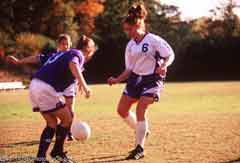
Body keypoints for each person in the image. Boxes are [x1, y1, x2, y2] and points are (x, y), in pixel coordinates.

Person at [107, 3, 174, 160]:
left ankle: (139, 148)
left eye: (129, 29)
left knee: (141, 109)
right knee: (121, 110)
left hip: (152, 79)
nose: (127, 32)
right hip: (136, 79)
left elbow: (170, 54)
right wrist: (116, 79)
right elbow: (129, 69)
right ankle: (141, 129)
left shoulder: (152, 39)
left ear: (137, 25)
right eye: (126, 30)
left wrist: (164, 65)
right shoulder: (130, 45)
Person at [29, 35, 97, 163]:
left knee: (51, 123)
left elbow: (67, 69)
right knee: (68, 117)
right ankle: (57, 152)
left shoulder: (65, 53)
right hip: (45, 87)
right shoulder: (77, 53)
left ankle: (40, 158)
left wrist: (78, 82)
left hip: (34, 85)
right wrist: (85, 86)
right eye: (93, 50)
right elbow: (73, 64)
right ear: (88, 50)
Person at [6, 34, 76, 141]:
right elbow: (36, 58)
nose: (65, 46)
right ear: (58, 45)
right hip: (51, 86)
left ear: (70, 44)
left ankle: (68, 132)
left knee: (70, 109)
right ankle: (59, 133)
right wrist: (19, 61)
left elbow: (77, 66)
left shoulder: (71, 55)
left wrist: (80, 81)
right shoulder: (53, 56)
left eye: (67, 44)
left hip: (68, 85)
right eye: (63, 44)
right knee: (54, 117)